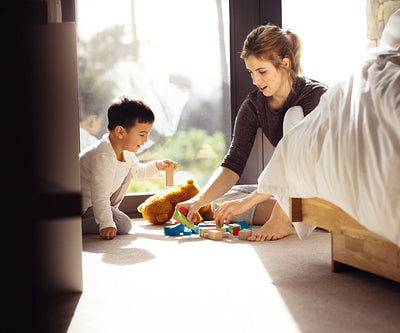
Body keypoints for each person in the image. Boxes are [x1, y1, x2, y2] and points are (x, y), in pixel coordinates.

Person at [176, 25, 328, 241]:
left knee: (293, 116)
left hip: (324, 182)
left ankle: (283, 217)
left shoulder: (316, 97)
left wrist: (248, 203)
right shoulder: (254, 104)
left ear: (285, 63)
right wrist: (198, 200)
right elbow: (233, 163)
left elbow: (303, 162)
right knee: (223, 201)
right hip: (295, 189)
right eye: (251, 72)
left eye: (262, 72)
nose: (256, 81)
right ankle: (304, 214)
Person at [80, 94, 178, 240]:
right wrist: (106, 223)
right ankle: (76, 224)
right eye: (142, 134)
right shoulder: (103, 155)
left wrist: (158, 166)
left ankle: (108, 213)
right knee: (124, 224)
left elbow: (138, 173)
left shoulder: (126, 152)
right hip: (85, 206)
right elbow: (99, 195)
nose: (145, 140)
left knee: (129, 172)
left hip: (98, 203)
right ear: (120, 132)